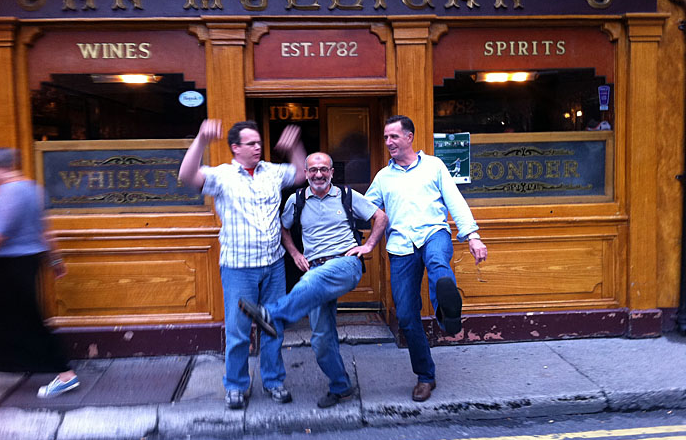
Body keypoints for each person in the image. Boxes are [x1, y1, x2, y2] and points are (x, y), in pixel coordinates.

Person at [239, 152, 387, 408]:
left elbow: (380, 217)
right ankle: (341, 387)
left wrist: (368, 246)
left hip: (345, 264)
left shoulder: (346, 195)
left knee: (310, 280)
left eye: (324, 169)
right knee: (321, 339)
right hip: (316, 268)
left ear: (332, 172)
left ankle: (273, 315)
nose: (319, 174)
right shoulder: (296, 200)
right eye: (313, 170)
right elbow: (283, 228)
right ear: (306, 173)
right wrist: (295, 253)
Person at [178, 119, 306, 410]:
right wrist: (201, 139)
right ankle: (236, 385)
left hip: (273, 265)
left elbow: (301, 173)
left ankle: (273, 381)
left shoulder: (272, 171)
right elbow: (186, 175)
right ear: (235, 148)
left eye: (259, 142)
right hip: (239, 268)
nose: (258, 147)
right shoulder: (222, 176)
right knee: (238, 330)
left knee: (272, 326)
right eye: (251, 143)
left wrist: (294, 146)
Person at [364, 115, 488, 403]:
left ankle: (447, 316)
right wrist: (337, 204)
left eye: (394, 136)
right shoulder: (383, 177)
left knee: (438, 264)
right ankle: (425, 376)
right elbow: (366, 207)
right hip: (400, 246)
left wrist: (472, 236)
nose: (388, 142)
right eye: (385, 137)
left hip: (434, 233)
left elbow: (455, 200)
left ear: (409, 137)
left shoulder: (434, 166)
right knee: (407, 316)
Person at [0, 148, 79, 398]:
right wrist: (55, 260)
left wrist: (55, 260)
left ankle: (66, 375)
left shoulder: (9, 193)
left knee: (28, 320)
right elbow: (45, 229)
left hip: (12, 265)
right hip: (26, 262)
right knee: (4, 319)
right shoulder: (31, 189)